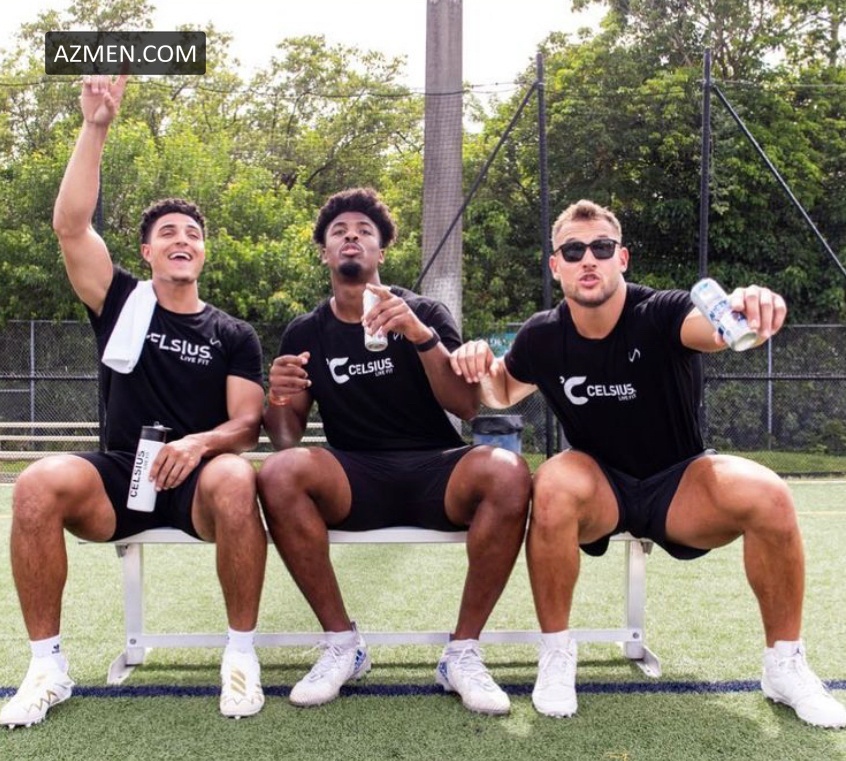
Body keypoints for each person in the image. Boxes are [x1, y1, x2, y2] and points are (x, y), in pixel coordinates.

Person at [449, 198, 846, 728]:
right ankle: (558, 655)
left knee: (769, 494)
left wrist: (744, 307)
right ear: (556, 265)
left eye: (601, 247)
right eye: (573, 250)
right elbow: (501, 391)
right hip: (601, 489)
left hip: (679, 483)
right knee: (553, 481)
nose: (588, 259)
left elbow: (713, 330)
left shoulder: (660, 311)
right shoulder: (542, 335)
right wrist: (478, 363)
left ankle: (784, 666)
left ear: (622, 258)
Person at [1, 74, 268, 727]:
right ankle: (47, 667)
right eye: (167, 232)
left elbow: (246, 423)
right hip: (122, 474)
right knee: (35, 484)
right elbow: (70, 225)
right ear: (147, 251)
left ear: (203, 251)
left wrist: (198, 444)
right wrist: (95, 126)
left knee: (238, 476)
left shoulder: (233, 333)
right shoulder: (122, 300)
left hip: (198, 480)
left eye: (192, 233)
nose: (181, 239)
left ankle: (240, 657)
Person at [258, 187, 531, 715]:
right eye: (339, 232)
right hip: (355, 475)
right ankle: (343, 645)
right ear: (325, 253)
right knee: (280, 472)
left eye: (364, 231)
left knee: (506, 470)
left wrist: (421, 336)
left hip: (436, 469)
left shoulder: (424, 311)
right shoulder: (306, 331)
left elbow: (466, 406)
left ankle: (462, 653)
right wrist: (279, 397)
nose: (351, 237)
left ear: (381, 251)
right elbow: (287, 440)